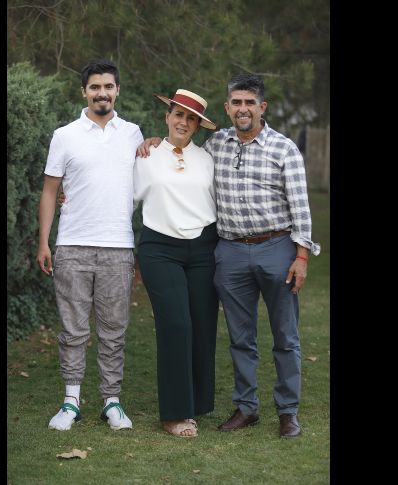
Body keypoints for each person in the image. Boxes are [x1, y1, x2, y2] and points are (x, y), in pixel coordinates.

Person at [137, 74, 321, 438]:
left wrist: (302, 256)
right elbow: (173, 156)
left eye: (249, 102)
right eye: (236, 102)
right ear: (227, 108)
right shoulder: (216, 145)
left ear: (262, 107)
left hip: (276, 247)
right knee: (240, 336)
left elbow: (301, 206)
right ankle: (247, 407)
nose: (242, 108)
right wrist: (153, 143)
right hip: (231, 250)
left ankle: (287, 411)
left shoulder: (283, 149)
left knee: (285, 335)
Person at [36, 58, 144, 432]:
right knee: (73, 329)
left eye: (108, 86)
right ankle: (71, 401)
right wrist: (44, 242)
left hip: (118, 246)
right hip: (72, 245)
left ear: (118, 91)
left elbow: (148, 176)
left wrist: (156, 142)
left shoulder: (133, 134)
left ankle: (112, 402)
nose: (102, 93)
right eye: (95, 87)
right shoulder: (64, 135)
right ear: (84, 91)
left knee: (114, 329)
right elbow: (50, 192)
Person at [133, 89, 219, 438]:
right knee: (176, 326)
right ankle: (174, 414)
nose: (183, 122)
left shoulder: (208, 159)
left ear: (198, 125)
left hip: (203, 249)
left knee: (201, 327)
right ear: (167, 117)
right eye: (178, 114)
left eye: (191, 118)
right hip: (159, 248)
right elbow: (122, 196)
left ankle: (196, 404)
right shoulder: (144, 155)